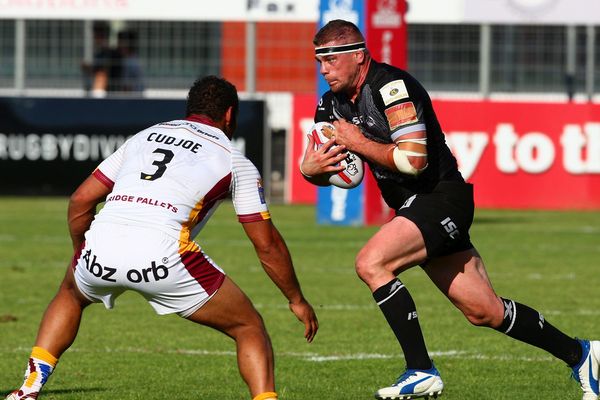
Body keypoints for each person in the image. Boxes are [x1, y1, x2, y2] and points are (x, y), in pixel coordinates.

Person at [300, 19, 598, 400]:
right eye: (319, 61)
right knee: (485, 311)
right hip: (413, 208)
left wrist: (358, 141)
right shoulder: (331, 103)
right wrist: (310, 172)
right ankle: (581, 354)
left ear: (358, 56)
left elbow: (413, 161)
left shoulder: (392, 88)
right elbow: (341, 170)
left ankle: (420, 370)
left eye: (330, 59)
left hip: (442, 197)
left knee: (371, 263)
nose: (323, 70)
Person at [5, 75, 318, 400]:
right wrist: (296, 299)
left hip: (102, 245)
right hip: (165, 255)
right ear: (229, 115)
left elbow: (81, 201)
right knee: (248, 327)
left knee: (70, 293)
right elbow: (266, 244)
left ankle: (28, 389)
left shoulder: (144, 136)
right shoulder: (234, 159)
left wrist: (80, 253)